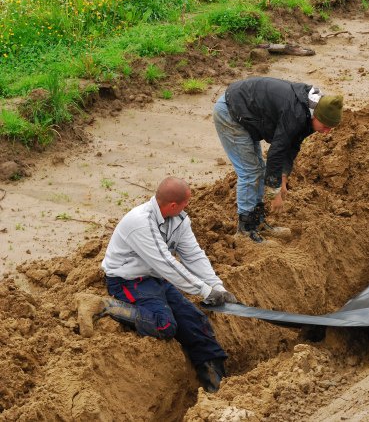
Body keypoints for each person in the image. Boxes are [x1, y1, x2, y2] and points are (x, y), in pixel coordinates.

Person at [77, 176, 237, 392]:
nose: (187, 207)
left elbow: (193, 255)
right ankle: (105, 305)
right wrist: (204, 291)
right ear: (173, 205)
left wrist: (217, 287)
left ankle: (218, 389)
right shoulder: (141, 222)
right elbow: (166, 264)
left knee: (196, 323)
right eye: (185, 203)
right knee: (165, 325)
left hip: (154, 279)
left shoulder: (179, 220)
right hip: (127, 280)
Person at [213, 76, 343, 243]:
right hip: (232, 112)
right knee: (250, 172)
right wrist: (274, 194)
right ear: (316, 116)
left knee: (258, 170)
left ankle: (257, 222)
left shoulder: (313, 113)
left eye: (331, 128)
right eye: (325, 127)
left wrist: (283, 177)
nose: (326, 132)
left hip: (249, 112)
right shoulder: (296, 113)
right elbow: (276, 151)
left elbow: (292, 145)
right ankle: (245, 231)